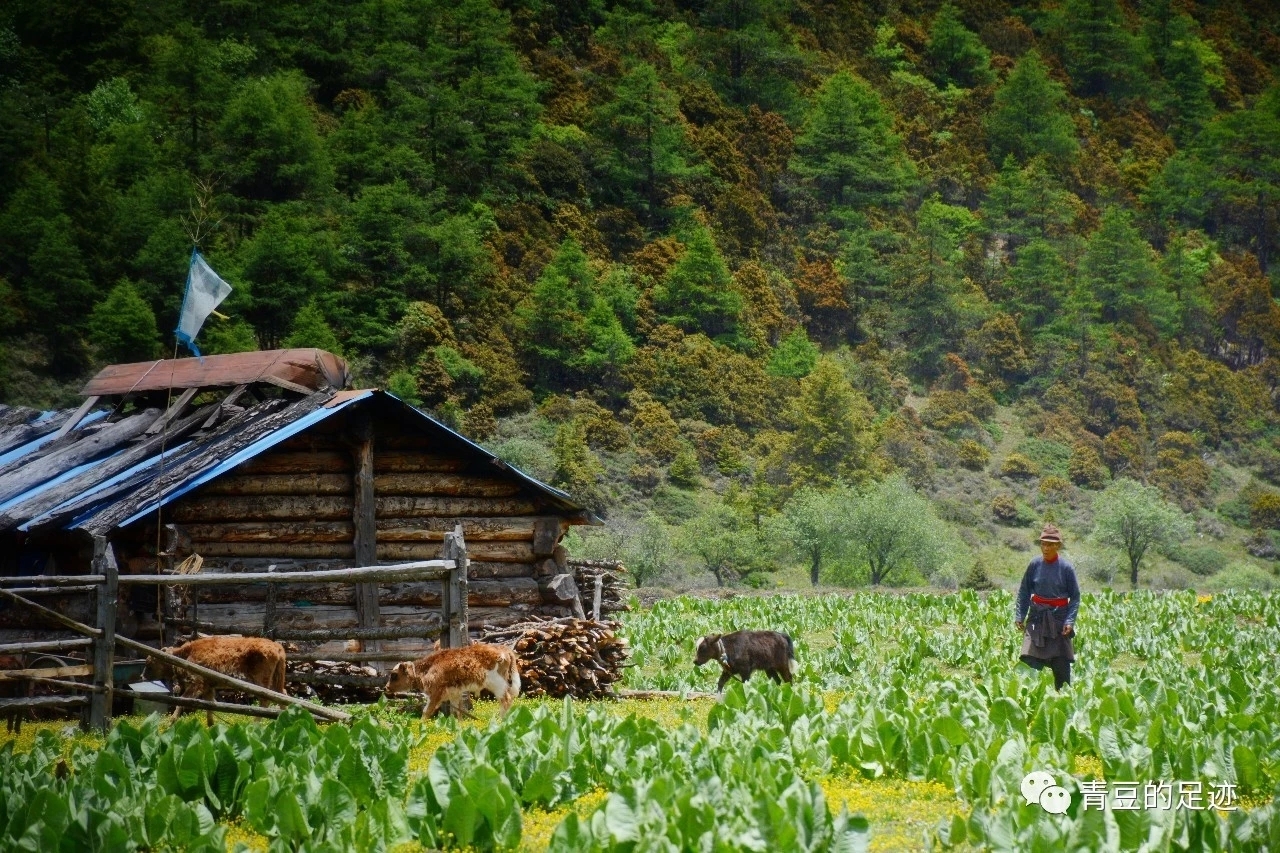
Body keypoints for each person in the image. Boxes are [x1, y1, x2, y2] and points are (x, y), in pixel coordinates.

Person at [1015, 523, 1079, 689]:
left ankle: (1063, 700)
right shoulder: (1034, 565)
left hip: (1058, 621)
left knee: (1061, 666)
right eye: (1043, 543)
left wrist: (1069, 621)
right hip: (1036, 618)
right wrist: (1020, 615)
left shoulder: (1066, 568)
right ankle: (1028, 699)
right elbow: (1024, 591)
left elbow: (1075, 597)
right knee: (1028, 660)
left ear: (1057, 546)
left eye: (1050, 544)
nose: (1046, 548)